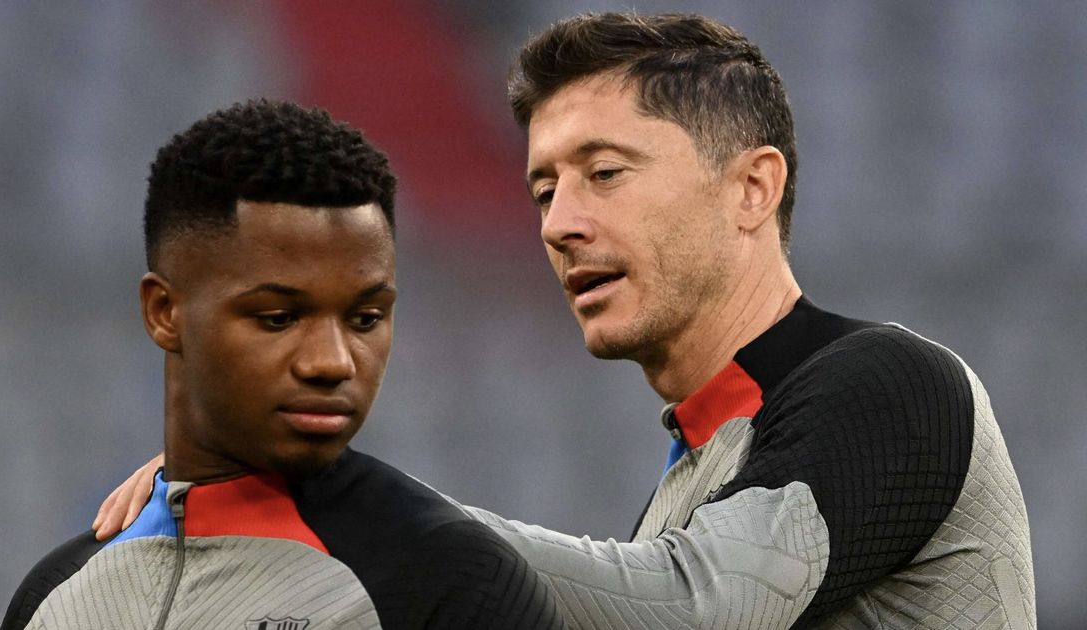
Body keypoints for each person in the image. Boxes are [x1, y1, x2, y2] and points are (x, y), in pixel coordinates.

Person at [94, 14, 1036, 629]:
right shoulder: (702, 469)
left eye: (605, 173)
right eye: (544, 189)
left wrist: (330, 494)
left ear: (753, 188)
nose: (558, 223)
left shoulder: (892, 384)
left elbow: (699, 609)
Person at [2, 100, 564, 630]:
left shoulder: (451, 581)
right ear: (164, 312)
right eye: (278, 318)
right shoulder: (57, 592)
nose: (333, 362)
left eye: (365, 318)